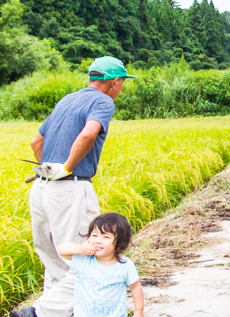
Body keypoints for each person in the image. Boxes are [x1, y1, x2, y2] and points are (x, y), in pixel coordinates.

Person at [11, 56, 135, 317]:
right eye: (122, 82)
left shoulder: (67, 99)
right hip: (70, 188)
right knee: (91, 259)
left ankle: (53, 312)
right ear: (114, 82)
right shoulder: (103, 101)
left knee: (56, 263)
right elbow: (89, 133)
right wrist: (66, 168)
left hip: (42, 190)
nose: (121, 87)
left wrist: (51, 169)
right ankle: (38, 313)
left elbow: (36, 142)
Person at [57, 212, 144, 317]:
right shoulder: (84, 260)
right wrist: (79, 248)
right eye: (94, 235)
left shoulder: (125, 266)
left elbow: (135, 287)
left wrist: (138, 311)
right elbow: (61, 250)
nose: (98, 241)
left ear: (120, 243)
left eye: (106, 237)